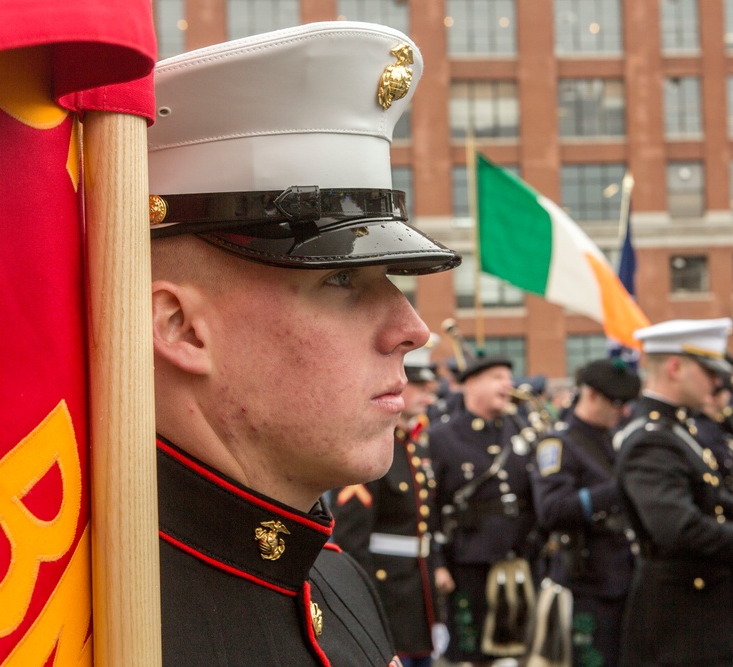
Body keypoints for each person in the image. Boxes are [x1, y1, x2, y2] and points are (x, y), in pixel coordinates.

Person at [147, 22, 460, 666]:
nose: (412, 329)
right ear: (180, 328)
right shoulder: (92, 621)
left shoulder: (330, 576)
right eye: (341, 279)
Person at [614, 318, 733, 667]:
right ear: (675, 367)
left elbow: (699, 495)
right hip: (679, 617)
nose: (717, 382)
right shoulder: (653, 438)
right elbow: (678, 528)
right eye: (708, 371)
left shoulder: (677, 428)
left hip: (698, 605)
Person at [332, 336, 443, 667]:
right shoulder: (368, 450)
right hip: (386, 593)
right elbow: (352, 538)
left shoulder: (415, 448)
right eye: (418, 384)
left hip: (418, 590)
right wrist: (363, 604)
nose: (428, 394)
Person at [427, 355, 539, 666]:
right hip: (467, 562)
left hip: (517, 560)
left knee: (515, 652)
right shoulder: (442, 437)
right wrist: (436, 563)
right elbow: (430, 507)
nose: (507, 384)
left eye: (508, 377)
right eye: (497, 377)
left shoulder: (520, 430)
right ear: (471, 384)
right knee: (469, 651)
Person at [530, 358, 641, 667]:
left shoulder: (613, 440)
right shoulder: (558, 444)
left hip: (624, 574)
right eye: (616, 403)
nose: (624, 411)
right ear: (590, 395)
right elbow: (551, 510)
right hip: (587, 580)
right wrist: (618, 489)